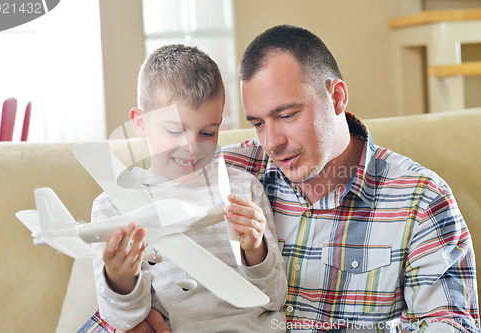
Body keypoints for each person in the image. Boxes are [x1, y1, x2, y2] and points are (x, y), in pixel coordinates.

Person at [136, 25, 480, 332]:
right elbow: (126, 272)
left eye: (286, 115)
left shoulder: (421, 199)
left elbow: (451, 325)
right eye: (257, 123)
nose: (271, 142)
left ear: (337, 98)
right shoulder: (223, 173)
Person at [77, 44, 287, 332]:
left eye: (207, 132)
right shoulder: (113, 205)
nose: (191, 147)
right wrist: (120, 278)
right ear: (140, 122)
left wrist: (255, 250)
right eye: (175, 130)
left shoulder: (243, 188)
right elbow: (121, 319)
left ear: (220, 125)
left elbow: (275, 299)